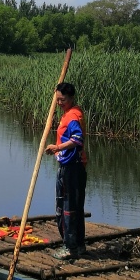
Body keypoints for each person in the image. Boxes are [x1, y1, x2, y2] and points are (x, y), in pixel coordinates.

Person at [45, 81, 86, 261]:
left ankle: (71, 247)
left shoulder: (72, 117)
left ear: (71, 98)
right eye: (57, 99)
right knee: (73, 206)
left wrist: (57, 147)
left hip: (72, 168)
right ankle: (78, 245)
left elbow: (77, 140)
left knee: (68, 208)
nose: (59, 103)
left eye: (62, 100)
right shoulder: (69, 113)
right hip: (70, 166)